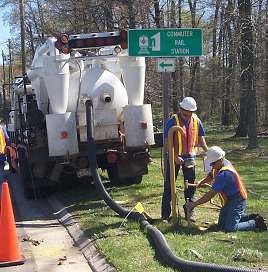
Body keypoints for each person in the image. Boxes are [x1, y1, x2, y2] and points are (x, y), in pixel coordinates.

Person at [186, 146, 267, 232]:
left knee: (230, 228)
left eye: (213, 164)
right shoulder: (221, 163)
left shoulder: (224, 174)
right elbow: (211, 175)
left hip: (237, 199)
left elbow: (210, 194)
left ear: (220, 160)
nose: (211, 166)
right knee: (221, 226)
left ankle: (255, 222)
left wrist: (194, 204)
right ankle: (249, 217)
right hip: (228, 199)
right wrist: (201, 182)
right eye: (211, 164)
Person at [161, 97, 208, 221]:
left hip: (190, 157)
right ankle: (165, 215)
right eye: (185, 113)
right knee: (169, 186)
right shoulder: (172, 121)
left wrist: (209, 152)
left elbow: (201, 138)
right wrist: (174, 156)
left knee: (190, 185)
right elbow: (166, 142)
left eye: (190, 113)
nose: (187, 116)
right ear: (181, 109)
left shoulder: (196, 120)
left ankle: (189, 212)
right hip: (173, 157)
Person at [0, 119, 9, 198]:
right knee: (1, 170)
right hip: (1, 154)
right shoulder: (1, 128)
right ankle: (3, 185)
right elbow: (7, 138)